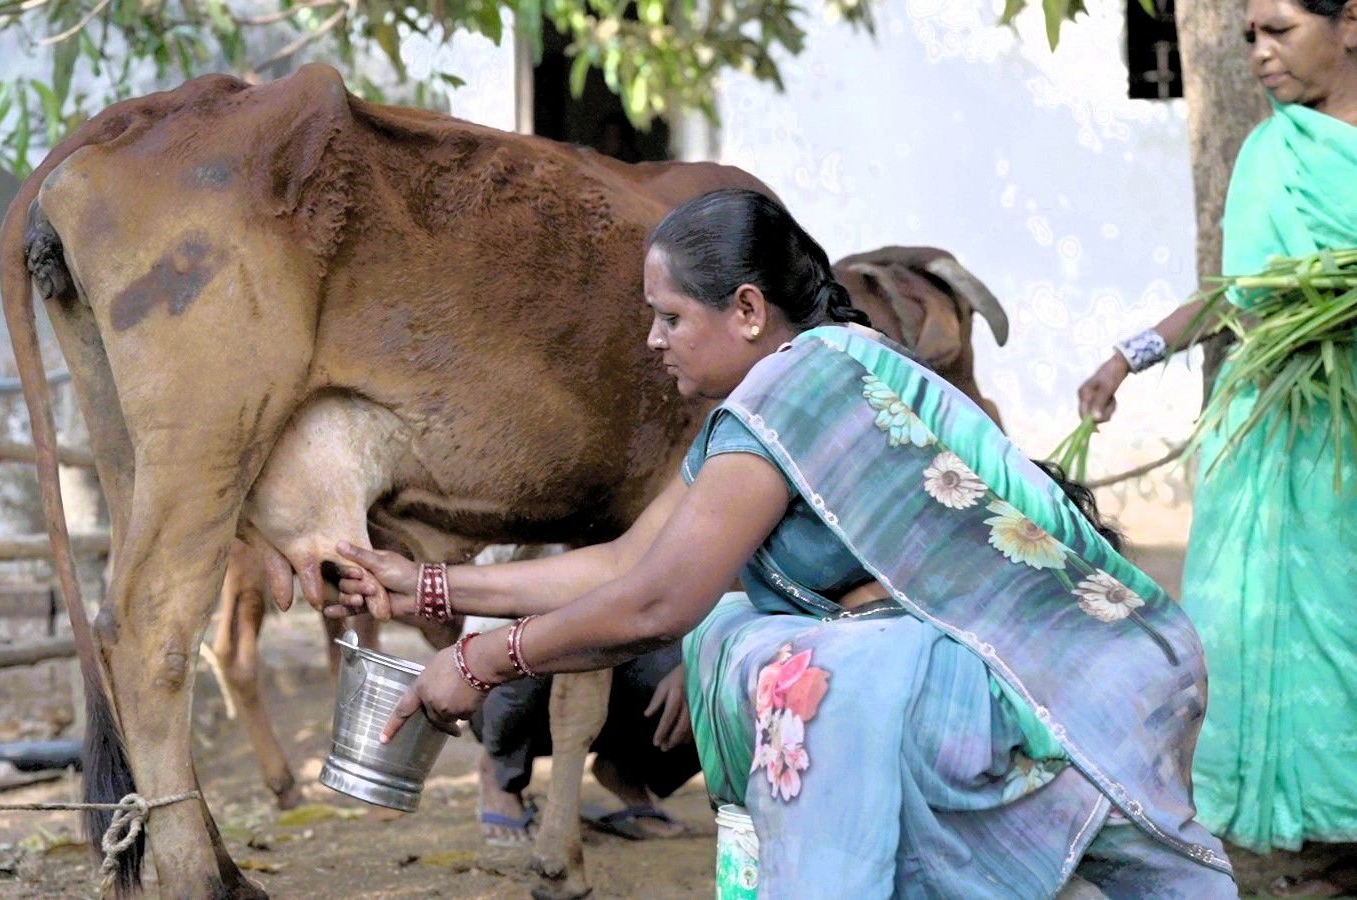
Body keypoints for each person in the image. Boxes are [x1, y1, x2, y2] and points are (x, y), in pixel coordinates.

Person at [336, 188, 1235, 896]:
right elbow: (625, 561)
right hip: (1108, 663)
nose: (652, 342)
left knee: (778, 655)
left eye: (670, 317)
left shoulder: (791, 396)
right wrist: (427, 588)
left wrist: (486, 660)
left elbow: (656, 603)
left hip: (1056, 687)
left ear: (749, 309)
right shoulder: (812, 373)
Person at [1077, 0, 1357, 891]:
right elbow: (1236, 295)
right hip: (1274, 428)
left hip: (1345, 426)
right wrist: (1132, 352)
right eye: (1249, 36)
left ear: (1349, 21)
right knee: (1265, 629)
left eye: (1279, 30)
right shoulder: (1272, 151)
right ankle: (1318, 838)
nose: (1259, 54)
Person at [464, 546, 700, 845]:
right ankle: (501, 773)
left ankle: (626, 771)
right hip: (513, 665)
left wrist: (690, 663)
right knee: (532, 649)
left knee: (707, 673)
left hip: (621, 653)